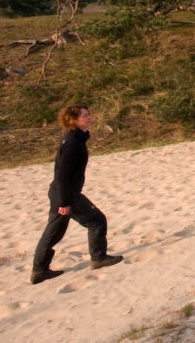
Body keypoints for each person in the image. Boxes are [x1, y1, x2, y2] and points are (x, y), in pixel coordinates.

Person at [30, 105, 122, 284]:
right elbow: (62, 175)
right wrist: (64, 202)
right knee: (97, 221)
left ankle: (39, 270)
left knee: (54, 231)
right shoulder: (73, 142)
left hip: (60, 192)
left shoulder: (76, 138)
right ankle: (99, 258)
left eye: (88, 114)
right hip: (65, 194)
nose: (89, 117)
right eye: (85, 115)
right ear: (74, 120)